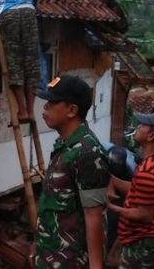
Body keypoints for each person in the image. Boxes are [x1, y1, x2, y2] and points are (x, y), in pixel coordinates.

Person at [34, 75, 110, 269]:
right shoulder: (64, 144)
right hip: (50, 257)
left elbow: (95, 217)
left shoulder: (87, 152)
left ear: (71, 110)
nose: (45, 108)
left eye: (52, 103)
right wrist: (38, 245)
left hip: (72, 262)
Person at [108, 111, 154, 269]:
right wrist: (110, 178)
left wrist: (111, 207)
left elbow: (144, 215)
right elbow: (138, 191)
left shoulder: (148, 171)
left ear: (151, 136)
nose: (138, 127)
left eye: (143, 125)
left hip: (145, 243)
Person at [0, 0, 41, 122]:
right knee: (32, 61)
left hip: (8, 11)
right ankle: (30, 111)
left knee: (14, 61)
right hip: (28, 10)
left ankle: (22, 111)